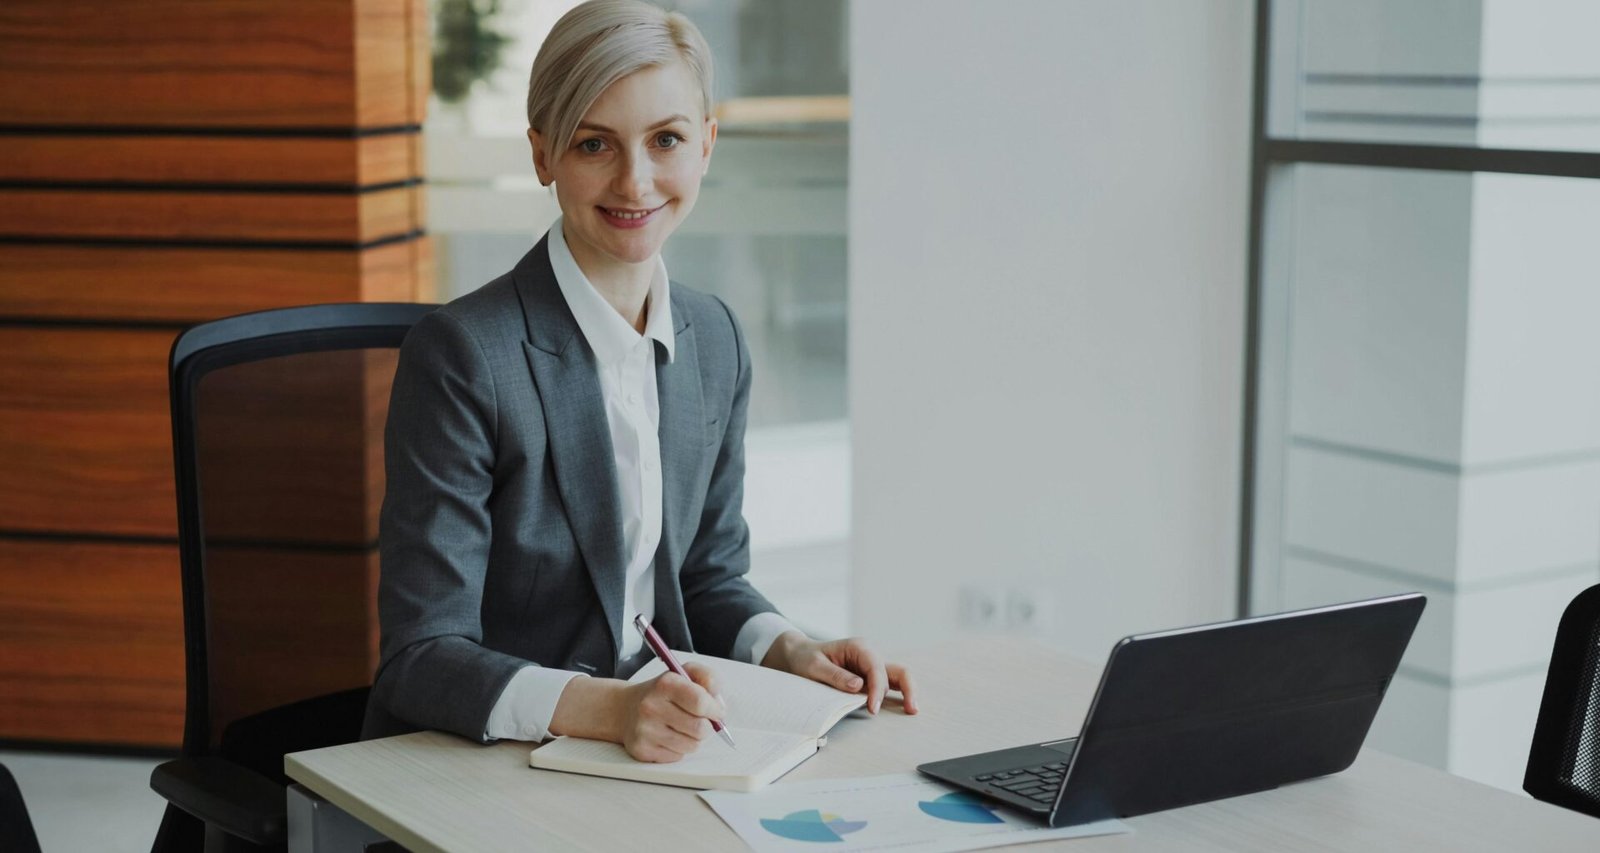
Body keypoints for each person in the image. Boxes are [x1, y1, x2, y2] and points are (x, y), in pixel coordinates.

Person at [363, 0, 916, 763]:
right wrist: (612, 709)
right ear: (543, 155)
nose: (635, 180)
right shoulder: (464, 356)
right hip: (481, 758)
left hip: (652, 748)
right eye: (594, 143)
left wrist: (791, 648)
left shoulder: (714, 338)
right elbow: (422, 655)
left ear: (706, 146)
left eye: (666, 140)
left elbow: (706, 578)